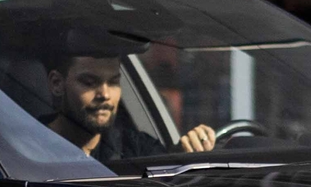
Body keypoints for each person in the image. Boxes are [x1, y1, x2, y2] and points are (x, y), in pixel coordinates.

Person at [44, 39, 218, 160]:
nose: (105, 94)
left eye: (113, 82)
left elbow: (168, 176)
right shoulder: (27, 150)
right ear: (57, 84)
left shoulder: (135, 148)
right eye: (89, 83)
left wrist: (184, 153)